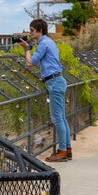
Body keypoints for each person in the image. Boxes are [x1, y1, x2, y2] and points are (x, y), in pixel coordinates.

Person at [19, 19, 72, 162]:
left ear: (40, 30)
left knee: (57, 118)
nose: (30, 33)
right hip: (57, 80)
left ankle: (62, 151)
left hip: (54, 82)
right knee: (61, 117)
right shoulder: (49, 42)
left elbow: (30, 62)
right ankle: (67, 149)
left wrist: (27, 49)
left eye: (32, 30)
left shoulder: (43, 44)